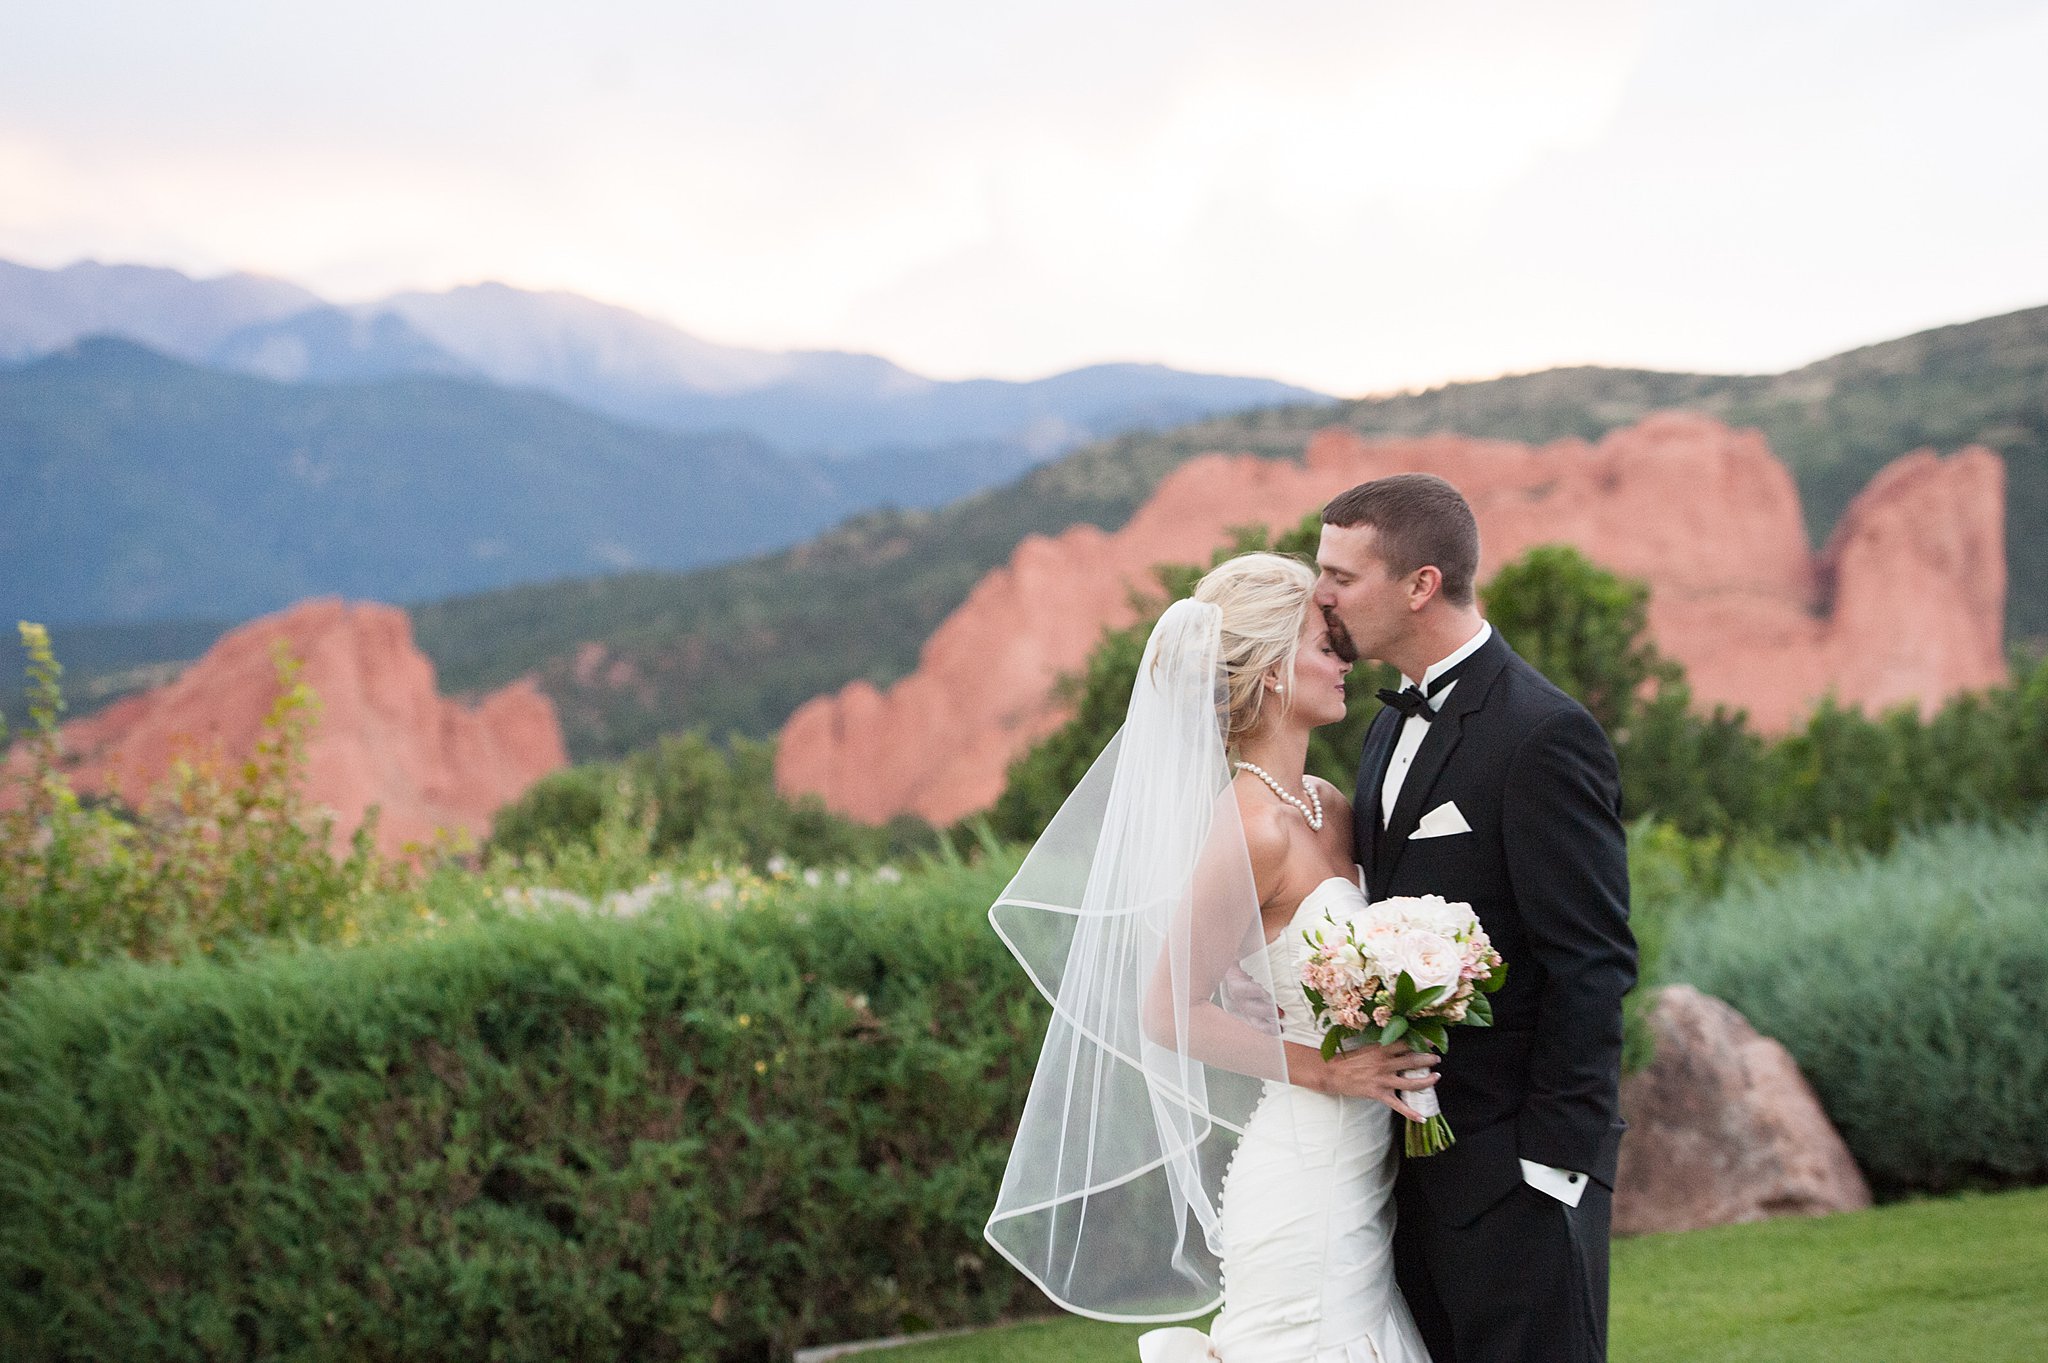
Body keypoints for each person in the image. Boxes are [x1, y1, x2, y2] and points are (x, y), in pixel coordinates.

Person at [984, 553, 1435, 1363]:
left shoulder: (1328, 805)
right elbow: (1165, 1010)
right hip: (1304, 1174)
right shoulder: (1250, 826)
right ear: (1268, 670)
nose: (1345, 660)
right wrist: (1326, 1069)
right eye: (1324, 643)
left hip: (1367, 1169)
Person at [1314, 474, 1636, 1363]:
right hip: (1405, 1171)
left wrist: (1552, 1165)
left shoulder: (1543, 734)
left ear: (1419, 584)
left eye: (1343, 574)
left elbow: (1594, 960)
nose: (1322, 594)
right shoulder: (1384, 729)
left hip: (1516, 1173)